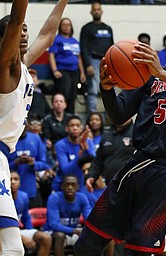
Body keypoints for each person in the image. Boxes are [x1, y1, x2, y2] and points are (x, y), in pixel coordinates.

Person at [74, 19, 166, 256]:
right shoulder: (149, 75)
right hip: (136, 165)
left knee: (138, 252)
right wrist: (106, 89)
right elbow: (119, 113)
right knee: (85, 246)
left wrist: (165, 75)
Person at [0, 0, 68, 254]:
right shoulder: (5, 67)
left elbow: (48, 35)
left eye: (27, 29)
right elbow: (16, 19)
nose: (24, 32)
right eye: (20, 30)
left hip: (3, 157)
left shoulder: (23, 66)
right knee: (12, 247)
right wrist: (17, 17)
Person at [44, 175, 91, 256]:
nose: (70, 187)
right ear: (62, 186)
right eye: (67, 184)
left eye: (73, 184)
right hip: (52, 232)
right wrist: (75, 231)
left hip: (73, 232)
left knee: (97, 234)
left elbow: (90, 220)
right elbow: (54, 225)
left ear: (78, 187)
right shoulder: (54, 198)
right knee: (60, 235)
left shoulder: (82, 198)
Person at [80, 1, 114, 113]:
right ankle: (93, 115)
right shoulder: (86, 28)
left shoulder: (108, 28)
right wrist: (88, 64)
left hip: (107, 61)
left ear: (101, 11)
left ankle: (110, 114)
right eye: (94, 9)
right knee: (93, 90)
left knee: (109, 88)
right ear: (91, 12)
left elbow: (112, 47)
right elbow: (83, 47)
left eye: (98, 9)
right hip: (93, 61)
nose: (96, 11)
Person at [48, 17, 86, 114]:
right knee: (65, 93)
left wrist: (82, 73)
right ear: (60, 27)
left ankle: (70, 116)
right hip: (62, 70)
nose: (66, 27)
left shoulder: (75, 41)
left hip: (75, 71)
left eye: (68, 25)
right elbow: (51, 55)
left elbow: (79, 58)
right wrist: (55, 70)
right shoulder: (57, 39)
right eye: (63, 25)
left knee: (73, 95)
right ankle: (61, 115)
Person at [11, 171, 52, 256]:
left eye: (16, 179)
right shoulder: (2, 200)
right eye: (10, 179)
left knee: (46, 238)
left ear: (20, 182)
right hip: (5, 232)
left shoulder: (24, 196)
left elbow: (26, 218)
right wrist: (22, 238)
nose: (13, 182)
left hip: (18, 231)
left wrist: (31, 234)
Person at [52, 115, 96, 192]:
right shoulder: (60, 145)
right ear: (66, 129)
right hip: (65, 185)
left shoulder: (88, 141)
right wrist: (80, 154)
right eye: (72, 125)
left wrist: (87, 148)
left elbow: (95, 162)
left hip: (82, 184)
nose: (75, 128)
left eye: (77, 125)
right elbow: (66, 170)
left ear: (81, 128)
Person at [8, 126, 49, 208]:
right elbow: (2, 168)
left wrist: (33, 163)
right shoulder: (6, 140)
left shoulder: (35, 139)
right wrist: (16, 162)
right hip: (10, 192)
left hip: (31, 191)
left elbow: (44, 164)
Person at [86, 118, 135, 186]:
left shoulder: (137, 133)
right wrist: (91, 176)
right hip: (111, 185)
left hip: (132, 184)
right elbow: (98, 160)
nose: (122, 117)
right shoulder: (107, 135)